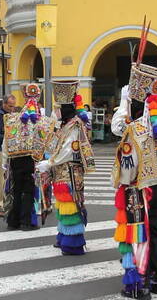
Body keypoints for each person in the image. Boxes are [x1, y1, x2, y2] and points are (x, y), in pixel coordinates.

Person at [111, 41, 157, 299]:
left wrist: (122, 102)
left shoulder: (134, 129)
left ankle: (139, 284)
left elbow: (125, 163)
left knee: (138, 235)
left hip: (138, 192)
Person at [36, 80, 95, 256]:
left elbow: (68, 150)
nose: (56, 111)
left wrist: (50, 162)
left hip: (70, 171)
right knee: (63, 205)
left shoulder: (74, 125)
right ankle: (64, 237)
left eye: (58, 107)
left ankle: (73, 244)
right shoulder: (65, 125)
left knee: (71, 205)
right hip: (62, 171)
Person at [2, 84, 55, 231]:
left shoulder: (13, 119)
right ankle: (26, 222)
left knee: (16, 190)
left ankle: (13, 222)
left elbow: (6, 141)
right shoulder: (42, 120)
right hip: (32, 160)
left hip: (15, 159)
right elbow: (48, 143)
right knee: (28, 191)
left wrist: (5, 161)